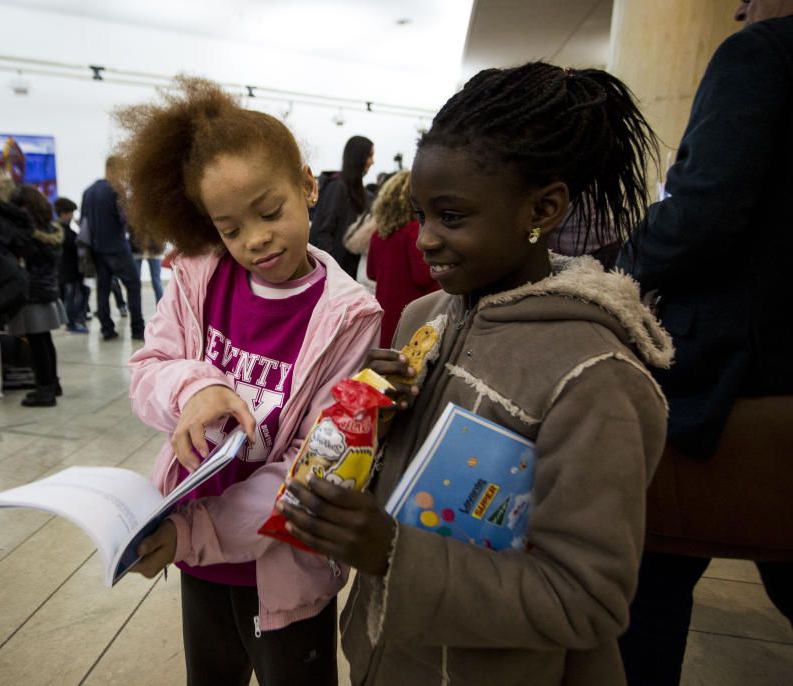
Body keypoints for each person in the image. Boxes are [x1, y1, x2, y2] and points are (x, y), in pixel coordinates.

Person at [277, 62, 673, 685]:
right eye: (420, 215)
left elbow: (586, 599)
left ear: (541, 209)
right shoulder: (418, 321)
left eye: (452, 217)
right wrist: (372, 423)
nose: (424, 240)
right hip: (385, 661)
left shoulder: (594, 376)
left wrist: (390, 554)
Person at [121, 77, 382, 686]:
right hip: (198, 559)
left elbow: (313, 465)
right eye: (231, 228)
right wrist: (194, 388)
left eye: (271, 212)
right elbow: (147, 370)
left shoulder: (349, 318)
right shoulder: (200, 277)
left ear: (308, 187)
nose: (256, 240)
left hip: (284, 568)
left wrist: (189, 533)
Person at [617, 6, 793, 684]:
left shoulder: (761, 54)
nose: (742, 8)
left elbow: (703, 214)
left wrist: (620, 267)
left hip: (726, 383)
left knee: (646, 579)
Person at [365, 170, 439, 347]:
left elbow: (371, 273)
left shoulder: (379, 234)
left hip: (387, 317)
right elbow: (422, 276)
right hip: (414, 319)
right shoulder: (413, 231)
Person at [8, 186, 67, 406]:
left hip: (32, 292)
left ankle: (45, 390)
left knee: (37, 344)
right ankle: (52, 383)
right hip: (47, 289)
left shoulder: (27, 233)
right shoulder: (50, 230)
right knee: (44, 341)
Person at [80, 157, 144, 341]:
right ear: (115, 169)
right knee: (133, 285)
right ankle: (137, 329)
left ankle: (107, 329)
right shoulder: (116, 190)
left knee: (103, 289)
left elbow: (84, 222)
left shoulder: (88, 192)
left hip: (97, 249)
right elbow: (125, 218)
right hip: (117, 247)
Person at [309, 135, 374, 278]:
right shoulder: (337, 187)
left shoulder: (359, 192)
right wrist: (333, 272)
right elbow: (323, 232)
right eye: (370, 156)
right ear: (359, 157)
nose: (373, 161)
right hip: (333, 274)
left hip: (348, 273)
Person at [54, 197, 88, 333]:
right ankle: (71, 324)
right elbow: (72, 244)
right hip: (67, 270)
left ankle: (74, 321)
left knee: (75, 295)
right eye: (71, 213)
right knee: (70, 297)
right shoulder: (61, 230)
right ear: (63, 213)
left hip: (69, 270)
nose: (72, 216)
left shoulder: (64, 229)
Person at [130, 234, 165, 303]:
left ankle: (162, 306)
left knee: (156, 281)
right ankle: (135, 307)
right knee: (135, 281)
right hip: (136, 248)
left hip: (154, 249)